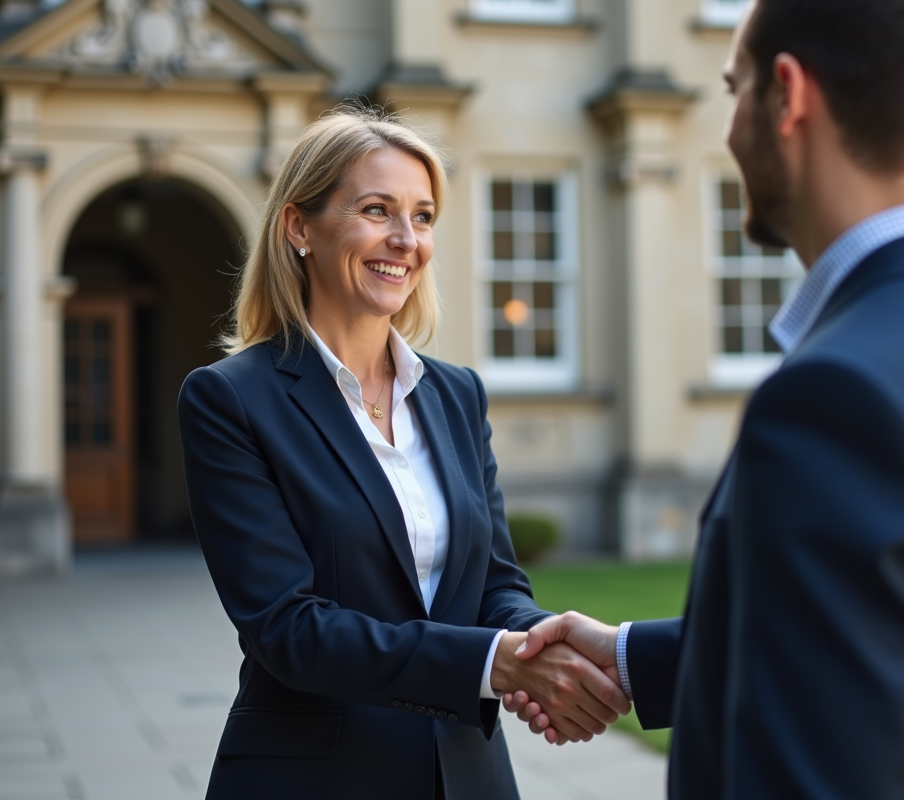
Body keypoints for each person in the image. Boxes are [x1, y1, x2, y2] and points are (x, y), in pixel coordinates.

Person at [505, 1, 904, 798]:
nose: (729, 128)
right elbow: (903, 643)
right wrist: (635, 658)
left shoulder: (833, 396)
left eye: (734, 89)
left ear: (788, 95)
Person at [177, 108, 629, 800]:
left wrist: (547, 643)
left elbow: (493, 586)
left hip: (469, 776)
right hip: (315, 779)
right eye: (376, 210)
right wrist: (497, 662)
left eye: (422, 217)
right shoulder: (229, 399)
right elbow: (288, 628)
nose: (406, 240)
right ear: (299, 227)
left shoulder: (456, 394)